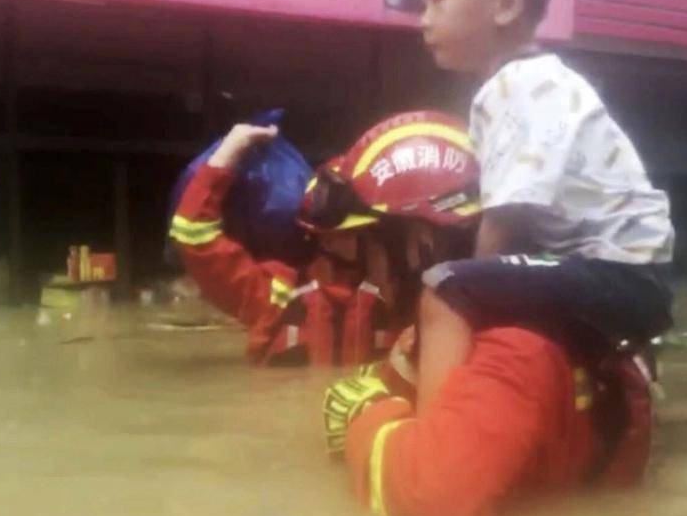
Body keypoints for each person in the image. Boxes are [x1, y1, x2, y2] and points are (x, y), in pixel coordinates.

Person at [322, 110, 654, 516]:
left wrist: (367, 415)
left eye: (368, 248)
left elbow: (431, 502)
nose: (365, 276)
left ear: (420, 243)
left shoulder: (510, 346)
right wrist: (385, 385)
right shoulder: (507, 315)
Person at [413, 0, 675, 410]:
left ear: (506, 6)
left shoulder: (519, 85)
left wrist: (472, 292)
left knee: (445, 287)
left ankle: (432, 445)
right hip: (629, 278)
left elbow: (506, 220)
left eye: (438, 0)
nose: (423, 20)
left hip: (618, 276)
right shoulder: (537, 79)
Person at [169, 113, 477, 368]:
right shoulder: (276, 294)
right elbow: (194, 238)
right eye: (331, 236)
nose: (331, 242)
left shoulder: (406, 297)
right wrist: (228, 153)